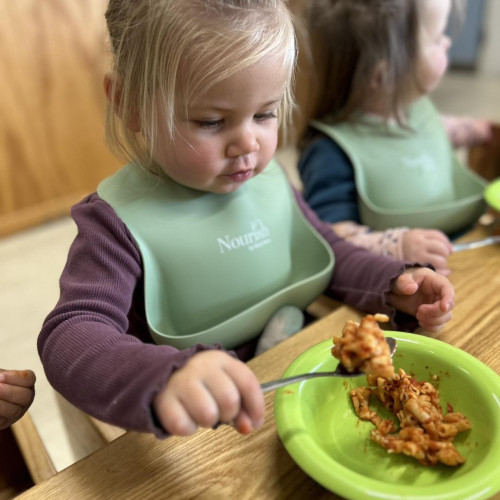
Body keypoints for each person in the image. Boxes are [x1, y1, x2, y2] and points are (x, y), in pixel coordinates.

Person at [38, 0, 454, 440]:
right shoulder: (113, 226)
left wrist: (393, 285)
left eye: (265, 114)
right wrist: (166, 378)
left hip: (294, 380)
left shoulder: (267, 179)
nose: (247, 143)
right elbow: (70, 335)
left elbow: (326, 248)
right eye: (212, 121)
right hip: (199, 426)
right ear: (129, 104)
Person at [297, 0, 492, 277]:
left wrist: (477, 130)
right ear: (384, 73)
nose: (447, 42)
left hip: (466, 250)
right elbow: (328, 236)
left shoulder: (413, 108)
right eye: (437, 39)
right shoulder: (331, 151)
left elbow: (437, 130)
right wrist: (396, 246)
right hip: (401, 283)